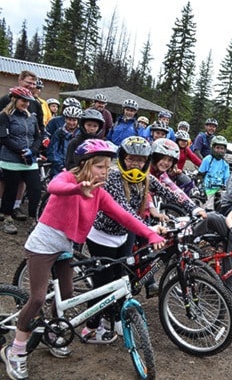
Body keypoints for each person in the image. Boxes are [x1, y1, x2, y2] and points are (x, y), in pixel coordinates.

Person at [0, 139, 164, 380]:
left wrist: (149, 233)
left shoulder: (99, 193)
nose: (105, 172)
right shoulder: (68, 178)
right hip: (43, 245)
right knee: (36, 298)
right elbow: (55, 187)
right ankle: (16, 351)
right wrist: (78, 188)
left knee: (66, 295)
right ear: (85, 165)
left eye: (107, 167)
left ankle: (55, 333)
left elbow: (124, 216)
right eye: (100, 167)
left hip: (66, 246)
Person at [83, 136, 200, 341]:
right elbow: (124, 211)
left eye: (140, 160)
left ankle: (117, 317)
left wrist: (194, 207)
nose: (135, 164)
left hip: (124, 235)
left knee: (122, 279)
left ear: (146, 161)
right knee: (104, 284)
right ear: (122, 158)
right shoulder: (112, 178)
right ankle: (91, 326)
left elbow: (172, 192)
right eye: (131, 159)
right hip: (102, 236)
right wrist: (149, 228)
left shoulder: (147, 178)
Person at [0, 87, 43, 233]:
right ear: (14, 99)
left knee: (36, 189)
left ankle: (34, 219)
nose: (26, 104)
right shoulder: (5, 116)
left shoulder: (32, 117)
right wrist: (20, 151)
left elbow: (38, 137)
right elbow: (4, 138)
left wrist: (34, 150)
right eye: (23, 100)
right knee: (10, 189)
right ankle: (7, 218)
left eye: (28, 102)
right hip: (11, 159)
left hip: (29, 160)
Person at [47, 106, 81, 178]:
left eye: (74, 120)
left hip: (76, 168)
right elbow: (52, 151)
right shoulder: (59, 132)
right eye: (69, 119)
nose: (71, 123)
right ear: (65, 119)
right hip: (59, 167)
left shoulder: (81, 134)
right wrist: (60, 167)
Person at [198, 135, 230, 211]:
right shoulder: (207, 160)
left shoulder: (225, 163)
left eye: (222, 148)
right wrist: (201, 186)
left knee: (226, 204)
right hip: (209, 188)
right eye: (217, 148)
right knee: (209, 206)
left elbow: (227, 178)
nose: (220, 150)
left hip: (220, 188)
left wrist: (227, 187)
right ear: (212, 148)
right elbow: (200, 175)